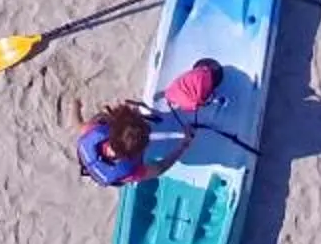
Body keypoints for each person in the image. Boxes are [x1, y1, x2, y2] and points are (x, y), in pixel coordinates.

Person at [72, 61, 224, 186]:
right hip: (111, 166)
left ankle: (114, 117)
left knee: (100, 119)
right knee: (102, 119)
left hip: (96, 160)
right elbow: (160, 168)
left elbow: (78, 125)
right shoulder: (130, 172)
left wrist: (76, 106)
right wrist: (183, 146)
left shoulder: (94, 132)